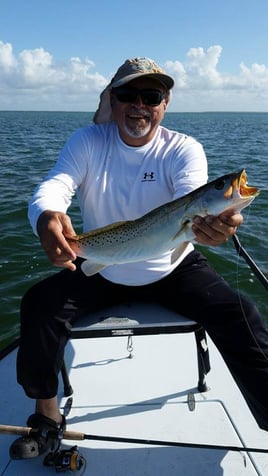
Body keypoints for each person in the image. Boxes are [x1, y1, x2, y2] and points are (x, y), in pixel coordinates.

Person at [16, 57, 268, 456]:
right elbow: (56, 185)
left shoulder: (183, 149)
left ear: (164, 103)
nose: (139, 104)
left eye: (150, 96)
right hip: (101, 265)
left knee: (243, 313)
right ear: (112, 101)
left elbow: (193, 193)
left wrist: (218, 225)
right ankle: (46, 416)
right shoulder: (87, 142)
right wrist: (46, 216)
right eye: (128, 94)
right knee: (38, 306)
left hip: (173, 265)